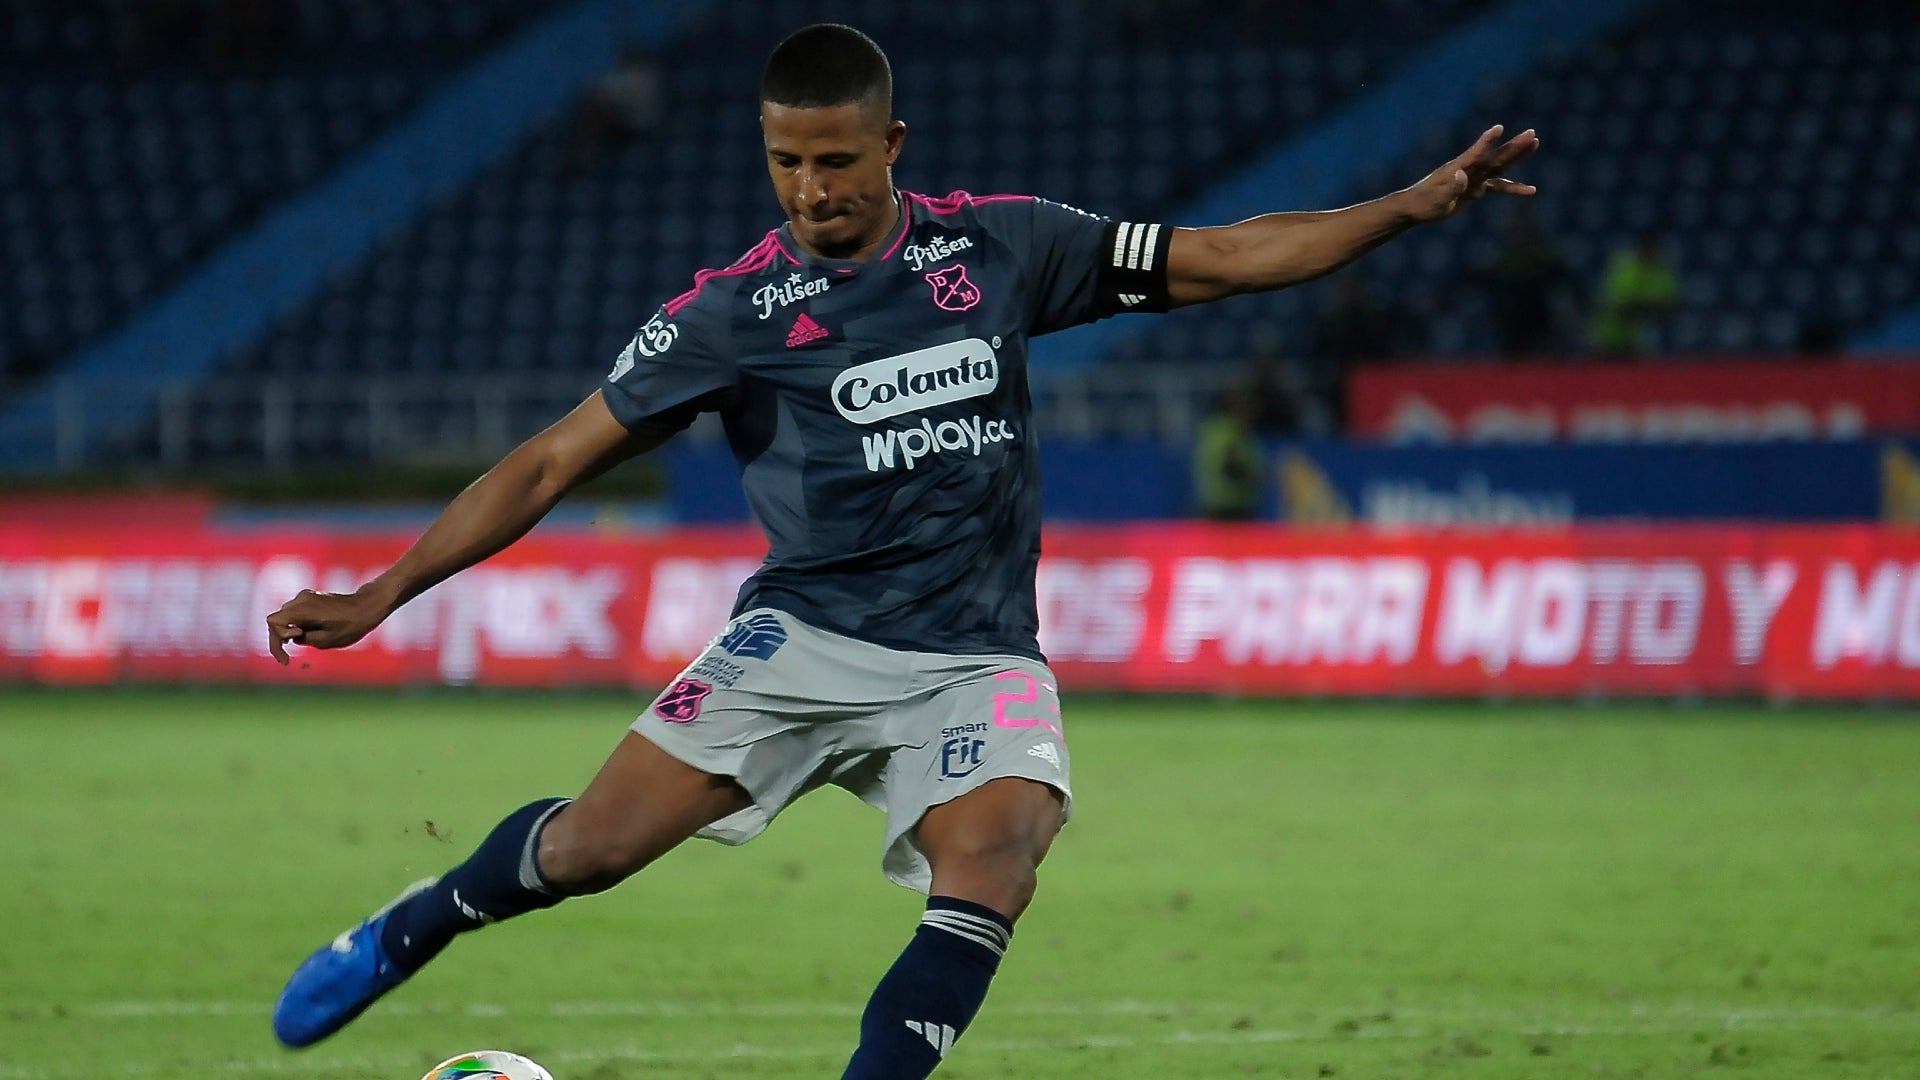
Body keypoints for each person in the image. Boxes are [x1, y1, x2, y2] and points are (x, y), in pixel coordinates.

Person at [264, 24, 1537, 1077]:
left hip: (974, 657)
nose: (812, 190)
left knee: (997, 856)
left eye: (835, 160)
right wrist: (386, 592)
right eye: (786, 163)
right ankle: (418, 921)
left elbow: (1224, 256)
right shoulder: (734, 312)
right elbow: (550, 460)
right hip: (802, 641)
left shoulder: (1002, 247)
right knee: (588, 852)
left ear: (892, 145)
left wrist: (1413, 205)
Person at [1591, 234, 1679, 355]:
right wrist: (1652, 307)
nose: (1655, 253)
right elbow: (1622, 309)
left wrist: (1642, 306)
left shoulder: (1663, 272)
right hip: (1610, 338)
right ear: (1642, 249)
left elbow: (1670, 310)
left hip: (1639, 341)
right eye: (1651, 249)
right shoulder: (1626, 269)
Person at [1193, 391, 1265, 520]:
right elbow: (1232, 468)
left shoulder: (1212, 430)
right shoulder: (1232, 434)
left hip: (1213, 503)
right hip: (1232, 509)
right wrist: (1254, 476)